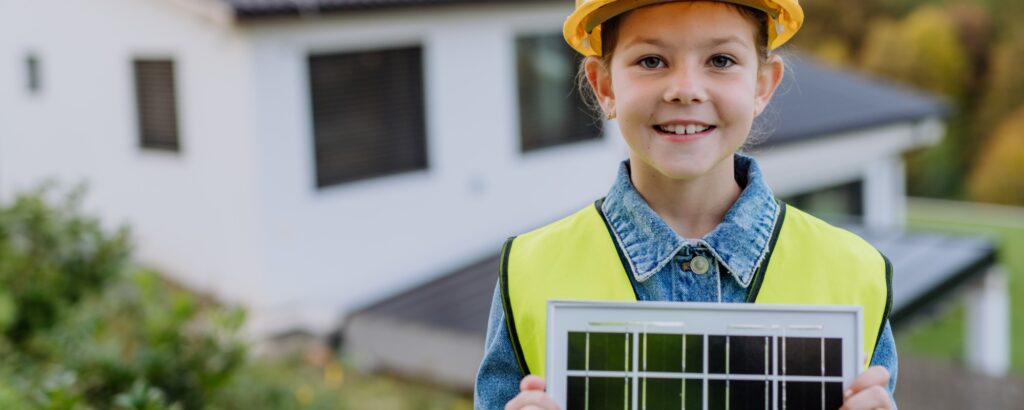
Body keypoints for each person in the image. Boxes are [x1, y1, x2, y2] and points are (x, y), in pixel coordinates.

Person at [475, 0, 898, 409]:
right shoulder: (527, 271)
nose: (685, 90)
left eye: (720, 60)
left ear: (762, 85)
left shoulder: (856, 274)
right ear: (605, 86)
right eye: (652, 61)